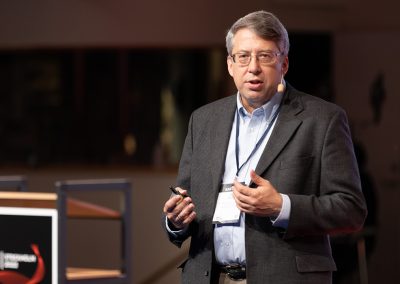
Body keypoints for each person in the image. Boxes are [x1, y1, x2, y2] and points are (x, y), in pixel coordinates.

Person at [162, 10, 367, 284]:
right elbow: (184, 200)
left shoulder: (322, 120)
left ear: (284, 64)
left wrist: (281, 206)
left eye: (265, 56)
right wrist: (176, 222)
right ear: (230, 64)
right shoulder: (203, 120)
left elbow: (351, 210)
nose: (253, 67)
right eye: (243, 56)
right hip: (210, 277)